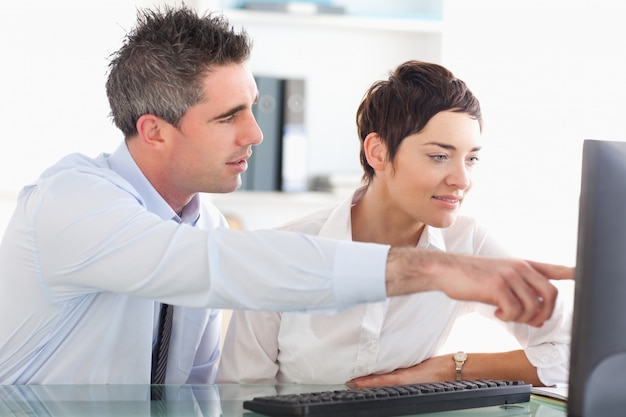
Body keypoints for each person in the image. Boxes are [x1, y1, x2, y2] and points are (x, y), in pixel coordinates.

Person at [0, 7, 571, 385]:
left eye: (253, 108)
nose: (255, 134)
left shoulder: (208, 227)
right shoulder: (71, 203)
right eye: (229, 116)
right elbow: (214, 268)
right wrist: (430, 270)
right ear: (154, 130)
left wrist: (452, 367)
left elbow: (203, 392)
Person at [216, 61, 572, 388]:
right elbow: (237, 394)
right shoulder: (286, 251)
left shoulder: (468, 242)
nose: (462, 179)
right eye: (439, 156)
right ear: (378, 152)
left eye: (472, 159)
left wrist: (448, 369)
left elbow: (574, 350)